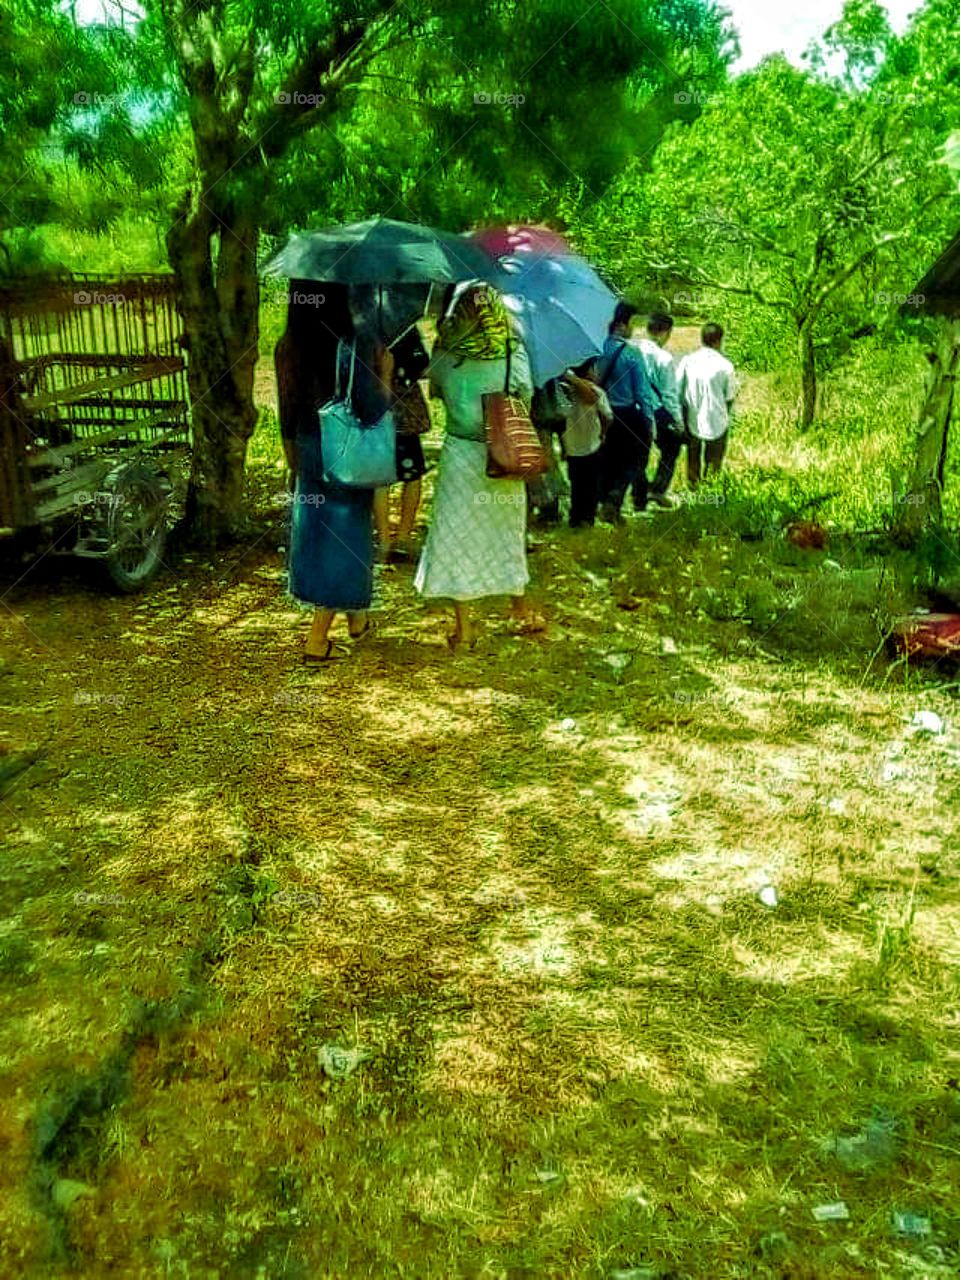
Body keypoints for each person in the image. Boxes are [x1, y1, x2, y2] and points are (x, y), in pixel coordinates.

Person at [414, 283, 542, 651]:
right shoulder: (511, 351)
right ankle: (518, 609)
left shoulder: (445, 350)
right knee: (504, 534)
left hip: (459, 455)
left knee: (456, 538)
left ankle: (465, 630)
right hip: (500, 457)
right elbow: (525, 395)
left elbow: (437, 391)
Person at [276, 282, 394, 663]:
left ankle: (357, 620)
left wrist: (292, 461)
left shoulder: (287, 344)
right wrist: (386, 374)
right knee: (343, 540)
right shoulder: (353, 340)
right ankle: (316, 640)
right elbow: (371, 407)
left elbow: (286, 412)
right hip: (343, 451)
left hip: (308, 446)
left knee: (321, 535)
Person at [373, 324, 431, 563]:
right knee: (413, 474)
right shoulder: (407, 328)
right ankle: (405, 536)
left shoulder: (365, 327)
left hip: (376, 410)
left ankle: (385, 539)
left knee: (380, 478)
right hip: (406, 416)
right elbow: (424, 367)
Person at [595, 302, 657, 522]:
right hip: (628, 415)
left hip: (601, 414)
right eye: (632, 324)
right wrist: (649, 421)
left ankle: (605, 503)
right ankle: (615, 498)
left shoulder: (597, 348)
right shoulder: (631, 353)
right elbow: (643, 391)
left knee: (608, 459)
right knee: (635, 460)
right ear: (622, 324)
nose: (634, 330)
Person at [677, 322, 737, 488]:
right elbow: (730, 396)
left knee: (693, 456)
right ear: (719, 341)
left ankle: (693, 487)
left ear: (702, 339)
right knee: (714, 459)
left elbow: (677, 389)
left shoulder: (688, 361)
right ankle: (710, 490)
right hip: (718, 418)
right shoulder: (726, 366)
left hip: (692, 416)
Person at [632, 312, 682, 509]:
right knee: (671, 449)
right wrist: (678, 420)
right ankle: (658, 490)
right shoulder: (664, 358)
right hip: (658, 411)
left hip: (634, 410)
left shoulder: (632, 352)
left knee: (638, 456)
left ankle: (639, 497)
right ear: (666, 332)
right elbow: (669, 394)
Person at [559, 359, 612, 527]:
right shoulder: (597, 392)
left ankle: (575, 518)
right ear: (589, 371)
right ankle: (587, 518)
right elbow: (608, 416)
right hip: (592, 444)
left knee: (576, 484)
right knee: (591, 485)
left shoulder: (566, 392)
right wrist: (603, 433)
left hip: (572, 446)